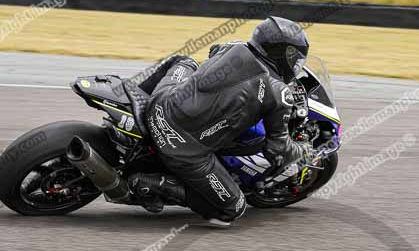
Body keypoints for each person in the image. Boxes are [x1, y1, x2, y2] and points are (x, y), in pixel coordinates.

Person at [129, 16, 313, 227]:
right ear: (284, 54)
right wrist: (305, 150)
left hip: (160, 103)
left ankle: (134, 96)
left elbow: (214, 51)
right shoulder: (279, 93)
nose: (296, 65)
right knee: (233, 208)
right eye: (295, 59)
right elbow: (277, 149)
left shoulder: (232, 47)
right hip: (183, 148)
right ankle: (154, 183)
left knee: (183, 61)